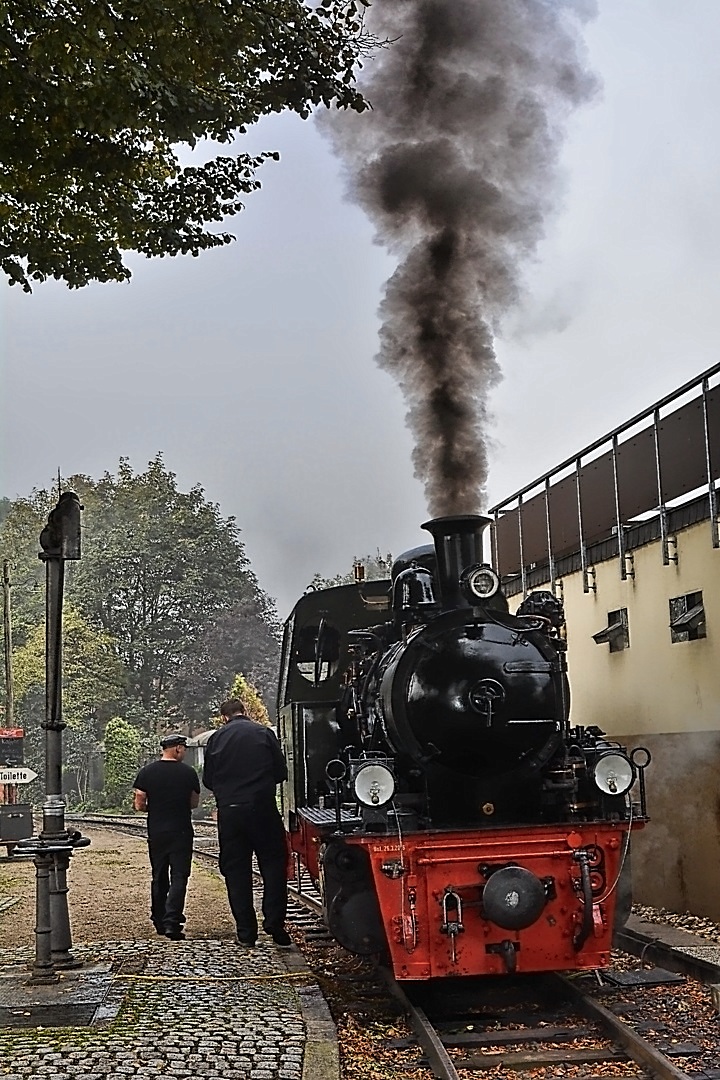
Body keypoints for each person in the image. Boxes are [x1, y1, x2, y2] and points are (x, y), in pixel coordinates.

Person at [202, 697, 291, 948]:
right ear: (246, 712)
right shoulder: (263, 733)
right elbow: (280, 772)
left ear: (224, 717)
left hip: (230, 813)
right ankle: (275, 924)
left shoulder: (216, 739)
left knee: (236, 870)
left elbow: (208, 780)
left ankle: (246, 932)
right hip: (262, 809)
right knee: (273, 866)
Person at [133, 734, 200, 940]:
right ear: (178, 749)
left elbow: (139, 803)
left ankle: (159, 919)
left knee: (159, 875)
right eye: (184, 749)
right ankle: (173, 922)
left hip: (157, 831)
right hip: (181, 830)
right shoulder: (188, 773)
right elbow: (194, 803)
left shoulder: (147, 772)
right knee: (179, 876)